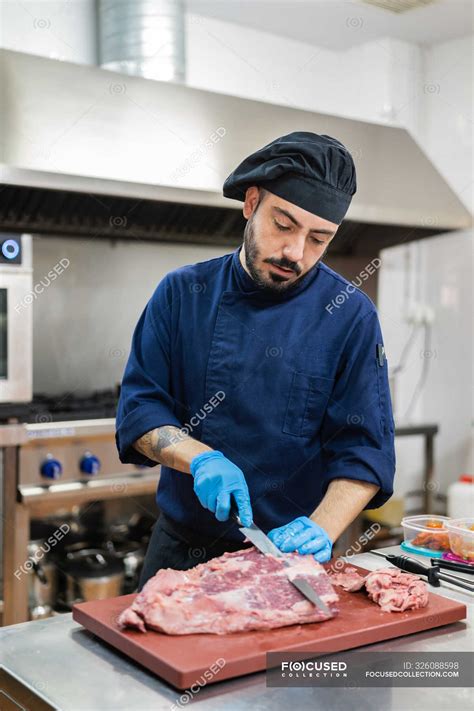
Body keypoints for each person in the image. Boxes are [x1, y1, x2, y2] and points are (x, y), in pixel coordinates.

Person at [115, 131, 396, 590]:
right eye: (283, 225)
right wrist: (200, 459)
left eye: (319, 239)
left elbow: (365, 451)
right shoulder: (182, 293)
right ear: (251, 203)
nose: (295, 253)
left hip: (293, 559)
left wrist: (321, 529)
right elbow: (140, 411)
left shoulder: (350, 316)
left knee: (286, 666)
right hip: (182, 551)